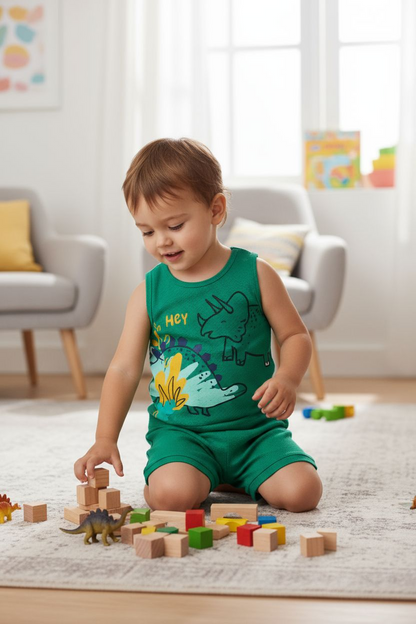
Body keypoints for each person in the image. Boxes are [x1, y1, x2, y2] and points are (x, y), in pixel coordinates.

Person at [74, 138, 323, 513]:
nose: (162, 241)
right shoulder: (149, 291)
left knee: (305, 493)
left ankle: (232, 474)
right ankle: (201, 473)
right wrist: (104, 438)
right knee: (170, 497)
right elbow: (124, 368)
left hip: (255, 432)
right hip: (182, 435)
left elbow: (294, 335)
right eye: (147, 231)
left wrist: (288, 378)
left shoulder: (257, 273)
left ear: (215, 209)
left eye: (174, 225)